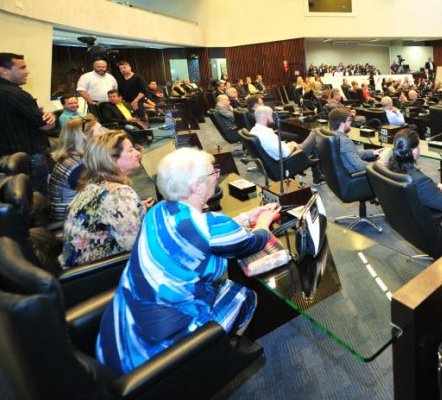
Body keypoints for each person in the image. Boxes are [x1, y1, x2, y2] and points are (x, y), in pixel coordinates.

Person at [96, 148, 278, 375]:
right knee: (245, 295)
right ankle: (213, 358)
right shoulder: (211, 225)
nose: (217, 175)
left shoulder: (157, 212)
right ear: (197, 187)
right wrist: (263, 221)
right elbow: (254, 242)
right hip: (160, 353)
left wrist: (244, 218)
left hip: (122, 338)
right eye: (213, 172)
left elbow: (198, 232)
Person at [60, 131, 152, 268]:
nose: (137, 153)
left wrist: (137, 208)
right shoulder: (119, 194)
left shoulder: (92, 185)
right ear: (112, 159)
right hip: (101, 270)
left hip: (77, 266)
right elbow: (134, 246)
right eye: (130, 150)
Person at [0, 52, 57, 195]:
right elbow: (46, 125)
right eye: (22, 68)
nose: (27, 72)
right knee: (35, 199)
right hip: (28, 159)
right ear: (3, 70)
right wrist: (51, 116)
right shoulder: (17, 95)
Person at [250, 106, 322, 183]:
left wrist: (288, 144)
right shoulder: (266, 135)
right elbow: (284, 153)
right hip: (288, 161)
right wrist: (293, 146)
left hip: (280, 160)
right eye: (271, 116)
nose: (272, 119)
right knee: (315, 132)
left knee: (313, 147)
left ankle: (318, 178)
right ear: (264, 117)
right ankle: (318, 178)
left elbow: (277, 147)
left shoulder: (253, 131)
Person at [47, 118, 88, 221]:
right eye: (100, 130)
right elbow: (94, 195)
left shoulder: (71, 156)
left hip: (67, 211)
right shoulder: (79, 166)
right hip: (69, 218)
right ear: (85, 137)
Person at [328, 107, 383, 173]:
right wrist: (377, 164)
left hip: (342, 173)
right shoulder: (345, 142)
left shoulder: (331, 136)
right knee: (387, 158)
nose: (350, 123)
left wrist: (373, 152)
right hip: (357, 175)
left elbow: (352, 153)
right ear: (341, 123)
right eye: (349, 121)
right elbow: (359, 166)